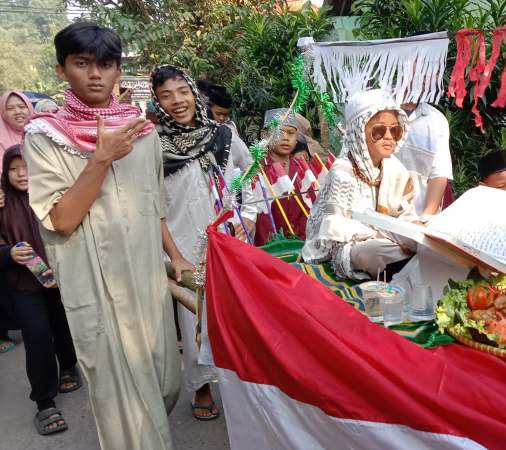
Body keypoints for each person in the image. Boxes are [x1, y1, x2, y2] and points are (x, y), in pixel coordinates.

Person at [23, 22, 188, 449]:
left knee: (165, 384)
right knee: (127, 417)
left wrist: (176, 256)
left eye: (106, 64)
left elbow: (154, 208)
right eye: (82, 64)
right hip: (96, 290)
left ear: (118, 72)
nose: (95, 74)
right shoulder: (45, 138)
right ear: (62, 70)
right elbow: (61, 220)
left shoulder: (144, 133)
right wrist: (100, 160)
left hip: (147, 287)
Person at [151, 65, 259, 421]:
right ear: (157, 101)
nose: (176, 101)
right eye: (166, 95)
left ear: (193, 93)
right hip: (184, 248)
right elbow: (153, 209)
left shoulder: (223, 135)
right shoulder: (153, 146)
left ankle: (242, 384)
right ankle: (200, 386)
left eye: (182, 91)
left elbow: (249, 175)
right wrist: (175, 255)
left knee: (235, 317)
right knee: (194, 321)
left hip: (228, 242)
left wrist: (248, 220)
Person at [0, 145, 81, 436]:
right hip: (23, 284)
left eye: (27, 166)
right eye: (13, 168)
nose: (22, 174)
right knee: (36, 335)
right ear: (5, 172)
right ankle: (44, 401)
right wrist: (9, 254)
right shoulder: (1, 202)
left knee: (63, 326)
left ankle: (69, 367)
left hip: (60, 276)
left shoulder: (51, 193)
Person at [303, 89, 419, 280]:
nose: (389, 137)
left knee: (422, 243)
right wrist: (385, 235)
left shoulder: (397, 170)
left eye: (395, 130)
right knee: (375, 251)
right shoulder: (342, 170)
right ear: (359, 131)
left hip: (392, 240)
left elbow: (405, 213)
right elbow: (337, 228)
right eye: (379, 130)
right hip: (350, 246)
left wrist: (415, 227)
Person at [254, 109, 315, 243]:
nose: (285, 137)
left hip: (300, 245)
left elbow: (312, 208)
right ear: (265, 135)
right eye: (280, 132)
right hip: (268, 248)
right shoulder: (256, 170)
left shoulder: (304, 170)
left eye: (291, 133)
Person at [395, 100, 452, 220]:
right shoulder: (380, 107)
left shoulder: (437, 120)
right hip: (376, 210)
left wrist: (426, 217)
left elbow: (439, 174)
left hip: (417, 214)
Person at [1, 90, 34, 157]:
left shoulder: (43, 133)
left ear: (30, 108)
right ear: (3, 113)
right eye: (10, 108)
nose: (17, 112)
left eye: (22, 107)